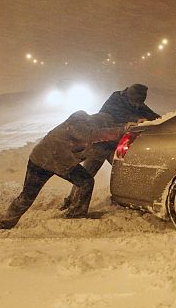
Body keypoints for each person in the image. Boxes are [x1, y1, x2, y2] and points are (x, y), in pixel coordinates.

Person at [0, 111, 125, 230]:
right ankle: (6, 222)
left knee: (84, 181)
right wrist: (120, 131)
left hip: (52, 160)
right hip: (45, 160)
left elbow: (99, 146)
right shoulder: (79, 123)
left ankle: (6, 221)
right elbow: (92, 134)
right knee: (30, 195)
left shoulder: (89, 132)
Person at [59, 84, 160, 212]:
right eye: (135, 102)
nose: (136, 106)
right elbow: (113, 115)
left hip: (115, 146)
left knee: (124, 170)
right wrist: (136, 119)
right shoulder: (115, 100)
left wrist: (164, 119)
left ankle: (133, 199)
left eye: (138, 103)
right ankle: (71, 203)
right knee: (86, 175)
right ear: (129, 96)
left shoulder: (134, 101)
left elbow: (148, 113)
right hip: (100, 145)